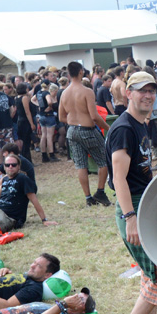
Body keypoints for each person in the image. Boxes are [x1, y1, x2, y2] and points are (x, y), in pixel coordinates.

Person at [105, 71, 157, 314]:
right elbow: (119, 178)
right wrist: (130, 217)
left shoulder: (141, 124)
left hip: (145, 206)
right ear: (128, 94)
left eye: (152, 90)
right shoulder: (124, 129)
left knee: (151, 273)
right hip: (132, 209)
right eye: (141, 90)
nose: (148, 95)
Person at [59, 61, 112, 207]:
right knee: (104, 160)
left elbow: (61, 117)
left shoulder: (64, 93)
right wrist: (108, 127)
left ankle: (88, 197)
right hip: (87, 130)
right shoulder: (87, 92)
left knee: (81, 165)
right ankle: (100, 192)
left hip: (72, 131)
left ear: (69, 73)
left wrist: (73, 120)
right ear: (81, 72)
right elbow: (94, 116)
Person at [0, 154, 57, 232]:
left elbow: (34, 200)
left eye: (13, 165)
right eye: (7, 165)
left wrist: (44, 220)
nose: (10, 166)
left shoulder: (22, 179)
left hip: (9, 219)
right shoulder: (5, 178)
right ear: (4, 167)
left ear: (19, 166)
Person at [35, 81, 59, 163]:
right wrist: (49, 107)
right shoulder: (46, 93)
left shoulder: (39, 92)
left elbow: (32, 99)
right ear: (48, 85)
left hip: (41, 115)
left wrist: (39, 106)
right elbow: (49, 102)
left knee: (43, 135)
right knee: (49, 136)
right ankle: (51, 155)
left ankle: (44, 155)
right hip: (49, 115)